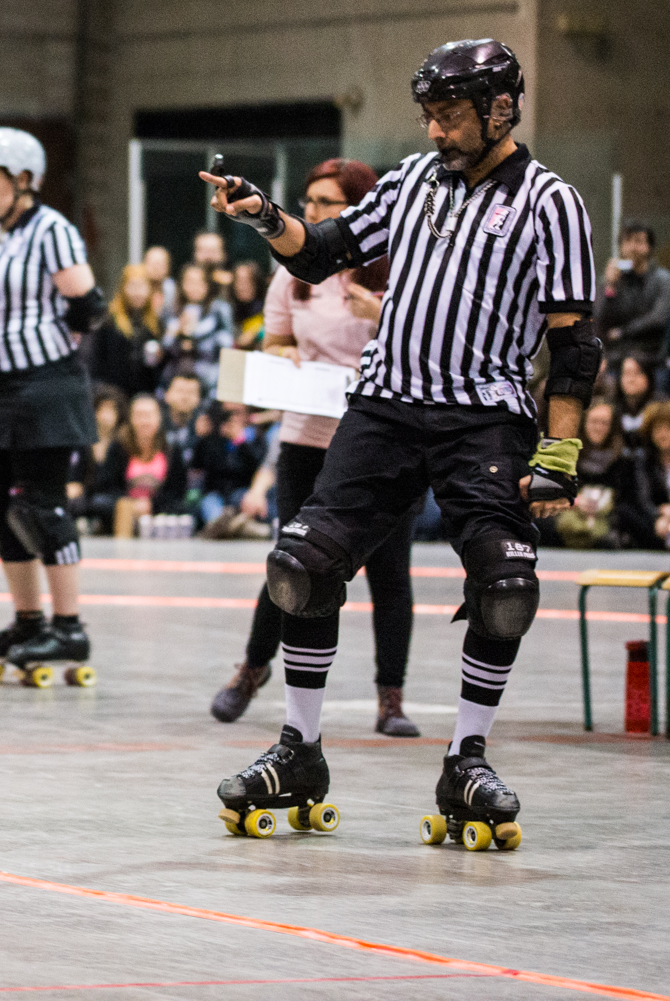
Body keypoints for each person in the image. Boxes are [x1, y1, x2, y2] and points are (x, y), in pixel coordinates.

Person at [204, 39, 596, 849]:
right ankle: (299, 749)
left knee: (505, 584)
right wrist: (266, 216)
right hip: (382, 407)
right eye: (428, 115)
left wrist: (559, 456)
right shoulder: (415, 181)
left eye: (449, 116)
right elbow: (324, 250)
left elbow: (575, 343)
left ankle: (466, 758)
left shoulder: (551, 202)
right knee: (300, 566)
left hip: (483, 418)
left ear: (500, 109)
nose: (435, 132)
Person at [208, 157, 420, 737]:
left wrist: (383, 315)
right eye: (312, 201)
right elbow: (276, 342)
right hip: (306, 437)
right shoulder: (293, 272)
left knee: (390, 572)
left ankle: (391, 700)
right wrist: (280, 355)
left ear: (360, 206)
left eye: (329, 203)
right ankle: (250, 672)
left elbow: (430, 344)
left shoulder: (396, 271)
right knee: (290, 562)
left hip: (383, 440)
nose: (318, 212)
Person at [0, 127, 106, 680]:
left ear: (25, 180)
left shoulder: (52, 230)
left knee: (41, 505)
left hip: (43, 384)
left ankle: (70, 627)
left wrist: (51, 344)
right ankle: (29, 621)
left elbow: (88, 305)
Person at [538, 398, 649, 549]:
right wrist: (575, 501)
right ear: (583, 422)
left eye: (604, 423)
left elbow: (631, 502)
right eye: (594, 421)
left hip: (608, 523)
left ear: (613, 427)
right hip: (566, 519)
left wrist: (605, 504)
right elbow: (546, 491)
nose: (598, 427)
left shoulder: (624, 462)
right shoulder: (564, 453)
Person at [98, 393, 185, 536]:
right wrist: (132, 504)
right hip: (125, 508)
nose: (145, 421)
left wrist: (151, 505)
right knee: (100, 503)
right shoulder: (118, 447)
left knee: (184, 507)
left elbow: (177, 491)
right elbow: (107, 485)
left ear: (159, 418)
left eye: (149, 415)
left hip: (158, 509)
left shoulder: (171, 449)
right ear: (131, 418)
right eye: (139, 415)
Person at [594, 221, 670, 370]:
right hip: (617, 356)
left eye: (639, 241)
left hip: (651, 355)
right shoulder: (614, 280)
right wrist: (609, 287)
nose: (632, 247)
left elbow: (658, 319)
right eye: (628, 241)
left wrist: (623, 332)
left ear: (649, 247)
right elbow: (599, 320)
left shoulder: (663, 279)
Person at [86, 264, 164, 396]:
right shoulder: (109, 321)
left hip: (145, 394)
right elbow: (96, 362)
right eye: (133, 286)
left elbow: (156, 370)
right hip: (114, 394)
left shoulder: (156, 325)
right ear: (123, 288)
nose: (137, 292)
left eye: (142, 287)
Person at [66, 384, 127, 533]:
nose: (106, 415)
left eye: (111, 409)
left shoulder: (122, 443)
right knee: (72, 502)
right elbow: (75, 475)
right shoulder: (83, 443)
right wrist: (73, 484)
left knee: (104, 503)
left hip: (114, 496)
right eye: (102, 409)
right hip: (86, 496)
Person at [166, 263, 235, 391]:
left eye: (199, 282)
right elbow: (165, 350)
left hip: (210, 381)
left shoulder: (219, 310)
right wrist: (177, 333)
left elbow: (227, 347)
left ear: (207, 285)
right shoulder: (172, 312)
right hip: (177, 382)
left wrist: (196, 338)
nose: (194, 287)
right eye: (189, 282)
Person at [632, 401, 670, 550]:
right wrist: (660, 513)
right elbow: (643, 500)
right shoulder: (644, 461)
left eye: (668, 428)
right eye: (658, 429)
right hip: (657, 522)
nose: (663, 434)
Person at [612, 353, 661, 448]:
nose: (631, 379)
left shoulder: (661, 408)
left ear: (649, 377)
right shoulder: (612, 409)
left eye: (637, 373)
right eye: (627, 373)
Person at [230, 260, 266, 348]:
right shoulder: (227, 308)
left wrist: (256, 333)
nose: (242, 287)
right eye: (238, 281)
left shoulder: (267, 308)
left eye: (247, 281)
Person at [142, 245, 177, 320]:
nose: (156, 268)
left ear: (168, 267)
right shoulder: (136, 291)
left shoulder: (174, 291)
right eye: (152, 263)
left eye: (160, 264)